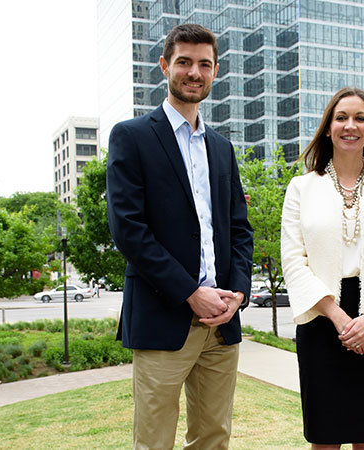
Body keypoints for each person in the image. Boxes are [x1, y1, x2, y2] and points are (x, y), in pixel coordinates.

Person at [106, 23, 253, 449]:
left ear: (215, 70)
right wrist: (190, 292)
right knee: (154, 442)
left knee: (214, 438)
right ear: (164, 66)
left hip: (221, 323)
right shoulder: (131, 136)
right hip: (162, 318)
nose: (194, 72)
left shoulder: (221, 148)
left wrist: (238, 292)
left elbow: (239, 229)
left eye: (204, 64)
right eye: (184, 62)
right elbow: (128, 229)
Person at [281, 87, 364, 449]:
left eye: (360, 118)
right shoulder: (301, 188)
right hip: (321, 317)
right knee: (324, 437)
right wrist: (340, 318)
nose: (350, 125)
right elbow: (293, 261)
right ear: (328, 128)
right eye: (341, 118)